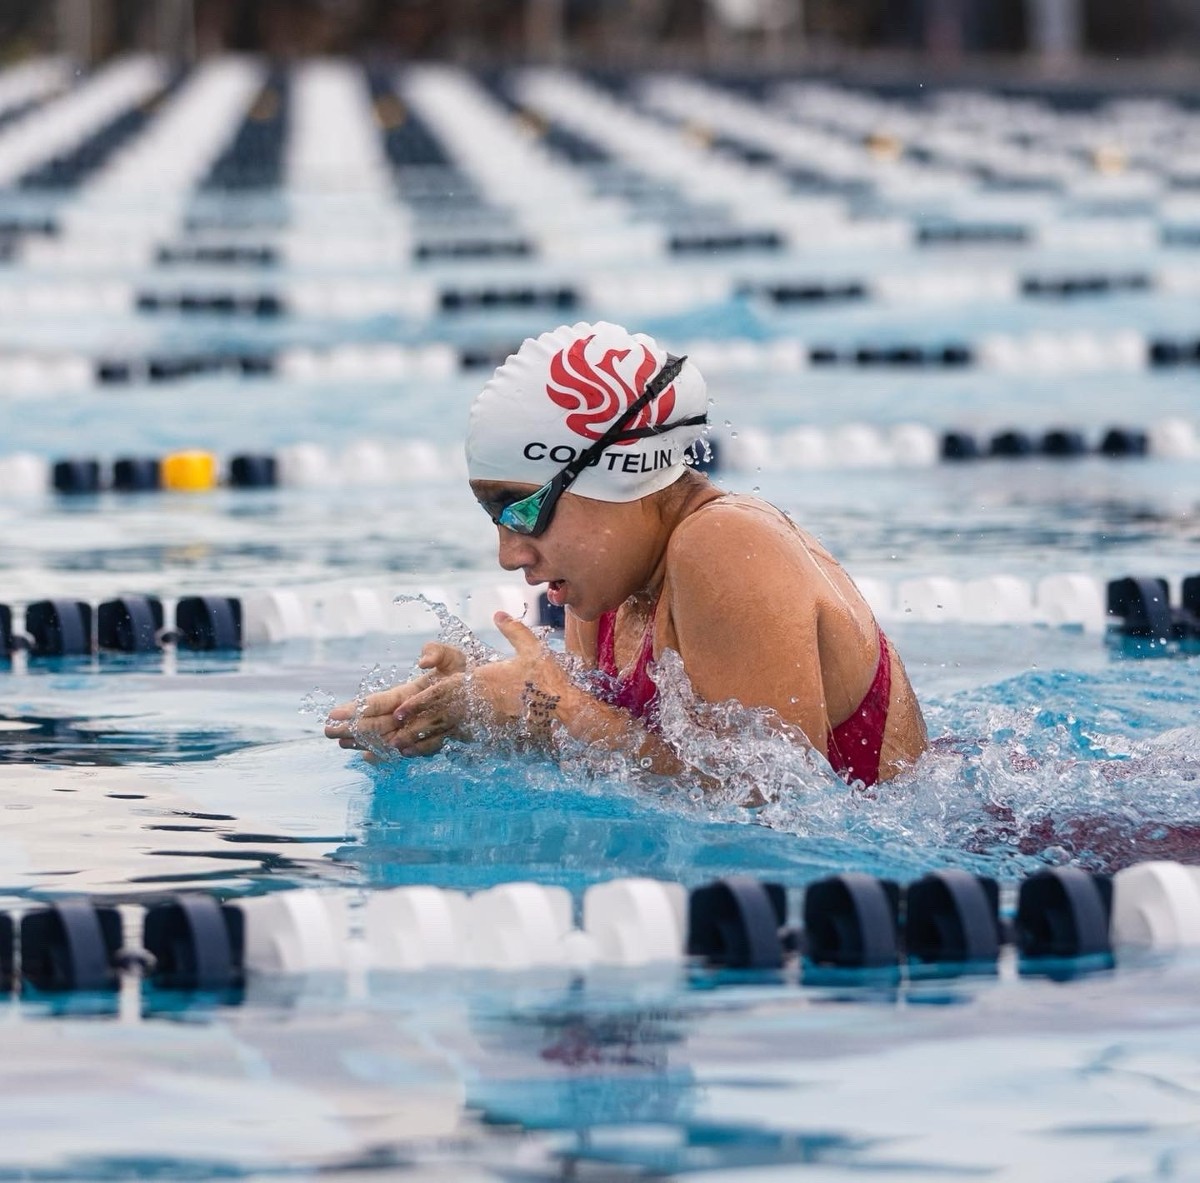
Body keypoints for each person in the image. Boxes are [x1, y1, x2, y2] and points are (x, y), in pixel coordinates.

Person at [325, 321, 928, 787]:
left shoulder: (725, 543)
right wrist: (476, 708)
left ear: (611, 473)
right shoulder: (606, 595)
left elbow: (779, 799)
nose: (509, 554)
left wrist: (555, 709)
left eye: (522, 509)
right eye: (495, 518)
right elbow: (636, 758)